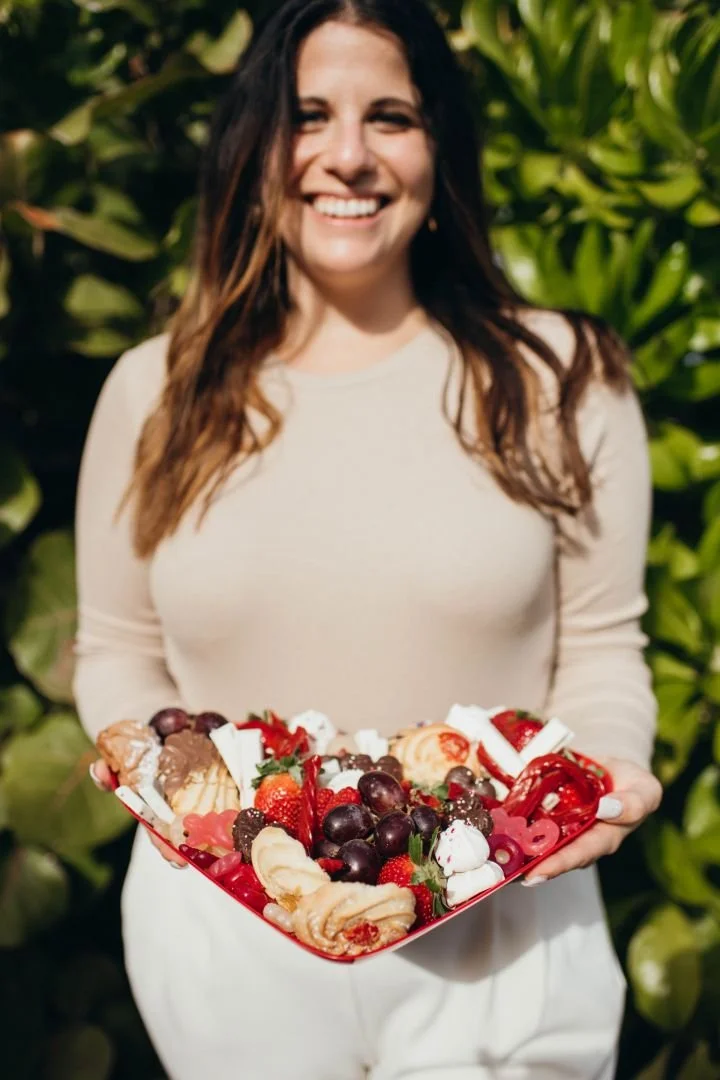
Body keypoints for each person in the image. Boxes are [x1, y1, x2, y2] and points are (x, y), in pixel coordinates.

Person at [76, 0, 662, 1076]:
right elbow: (114, 647)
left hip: (504, 930)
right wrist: (189, 804)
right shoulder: (153, 392)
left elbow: (603, 645)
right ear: (255, 149)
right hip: (223, 941)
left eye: (389, 116)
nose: (347, 155)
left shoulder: (564, 379)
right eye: (308, 116)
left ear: (440, 146)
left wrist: (607, 769)